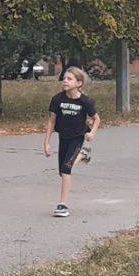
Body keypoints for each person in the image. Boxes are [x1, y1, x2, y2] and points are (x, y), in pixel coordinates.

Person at [43, 66, 100, 218]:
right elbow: (51, 121)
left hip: (78, 138)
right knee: (62, 172)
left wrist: (92, 132)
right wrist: (46, 143)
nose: (65, 81)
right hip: (64, 137)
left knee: (66, 169)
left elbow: (96, 119)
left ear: (79, 83)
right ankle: (84, 155)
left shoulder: (85, 101)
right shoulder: (57, 99)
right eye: (64, 78)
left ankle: (63, 205)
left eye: (69, 79)